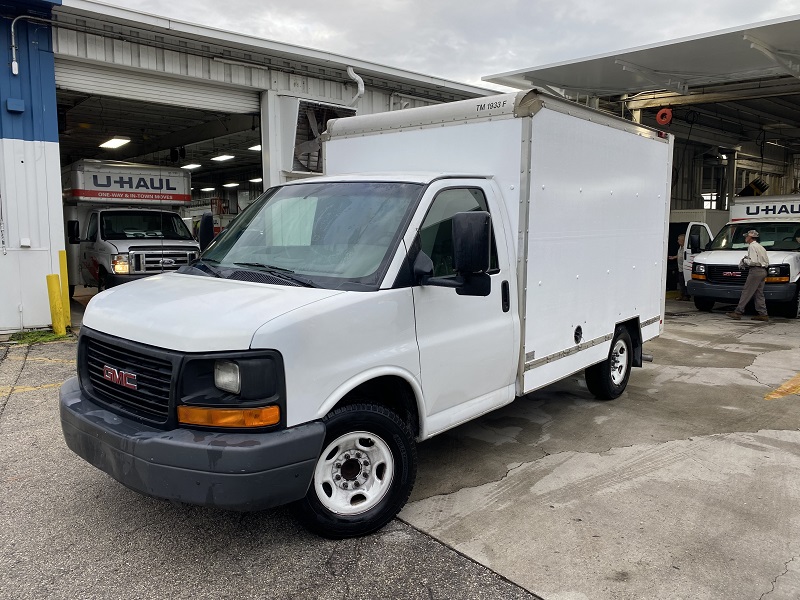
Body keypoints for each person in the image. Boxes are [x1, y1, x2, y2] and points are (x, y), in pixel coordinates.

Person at [726, 229, 770, 321]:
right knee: (759, 293)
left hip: (755, 271)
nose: (745, 238)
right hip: (763, 271)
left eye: (746, 236)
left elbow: (753, 261)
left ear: (750, 237)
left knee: (747, 291)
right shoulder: (761, 247)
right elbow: (766, 261)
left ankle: (738, 312)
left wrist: (744, 260)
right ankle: (763, 314)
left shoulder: (752, 247)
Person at [668, 234, 689, 300]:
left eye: (679, 240)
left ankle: (686, 295)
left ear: (683, 240)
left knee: (684, 282)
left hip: (684, 268)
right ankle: (682, 295)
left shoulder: (686, 249)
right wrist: (674, 257)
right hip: (680, 268)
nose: (677, 241)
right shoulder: (680, 248)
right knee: (681, 282)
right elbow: (679, 255)